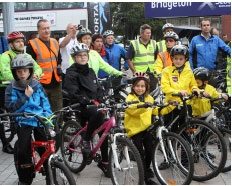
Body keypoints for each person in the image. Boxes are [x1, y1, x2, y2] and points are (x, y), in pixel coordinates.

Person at [5, 54, 53, 185]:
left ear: (30, 71)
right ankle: (25, 180)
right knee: (24, 150)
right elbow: (11, 108)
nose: (22, 74)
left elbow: (46, 105)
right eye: (18, 71)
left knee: (45, 148)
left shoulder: (37, 86)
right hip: (23, 120)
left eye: (25, 71)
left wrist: (50, 122)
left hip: (39, 119)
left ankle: (50, 176)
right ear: (14, 72)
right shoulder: (11, 88)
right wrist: (25, 96)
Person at [65, 43, 110, 178]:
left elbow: (97, 87)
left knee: (105, 130)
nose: (83, 58)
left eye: (85, 55)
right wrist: (85, 100)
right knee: (97, 113)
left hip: (94, 104)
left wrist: (102, 97)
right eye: (80, 56)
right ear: (74, 58)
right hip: (81, 106)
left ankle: (105, 162)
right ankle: (86, 139)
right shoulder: (71, 72)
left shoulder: (90, 71)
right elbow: (73, 91)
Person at [0, 31, 42, 154]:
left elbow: (38, 68)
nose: (21, 44)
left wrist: (36, 74)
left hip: (23, 87)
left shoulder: (27, 56)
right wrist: (25, 78)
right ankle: (5, 143)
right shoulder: (5, 56)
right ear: (11, 45)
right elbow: (6, 73)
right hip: (5, 88)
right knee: (3, 116)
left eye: (22, 41)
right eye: (17, 42)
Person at [159, 45, 200, 169]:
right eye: (175, 58)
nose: (178, 61)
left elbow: (193, 84)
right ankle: (168, 159)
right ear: (172, 59)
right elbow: (165, 87)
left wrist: (195, 89)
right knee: (168, 133)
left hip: (185, 106)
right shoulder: (166, 71)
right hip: (171, 106)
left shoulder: (189, 72)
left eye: (181, 59)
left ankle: (185, 161)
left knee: (185, 134)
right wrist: (178, 92)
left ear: (185, 59)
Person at [124, 72, 158, 185]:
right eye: (137, 86)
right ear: (133, 87)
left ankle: (147, 168)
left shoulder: (149, 98)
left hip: (146, 128)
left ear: (147, 87)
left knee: (150, 150)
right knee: (140, 153)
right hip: (135, 130)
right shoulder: (130, 98)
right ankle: (145, 178)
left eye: (142, 86)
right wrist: (144, 107)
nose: (140, 88)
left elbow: (155, 111)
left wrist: (169, 106)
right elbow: (133, 111)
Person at [26, 19, 63, 113]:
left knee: (58, 111)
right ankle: (45, 128)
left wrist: (58, 67)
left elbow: (59, 58)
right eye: (44, 29)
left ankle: (58, 127)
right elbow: (30, 63)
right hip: (41, 83)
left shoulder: (55, 41)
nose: (47, 30)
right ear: (38, 30)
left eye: (48, 28)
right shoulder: (32, 44)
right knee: (43, 110)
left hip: (56, 82)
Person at [127, 24, 159, 91]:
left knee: (151, 92)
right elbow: (129, 59)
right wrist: (134, 71)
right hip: (139, 74)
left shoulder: (154, 43)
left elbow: (157, 58)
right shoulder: (134, 44)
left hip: (151, 73)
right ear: (141, 34)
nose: (149, 35)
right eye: (147, 33)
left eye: (150, 33)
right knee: (139, 92)